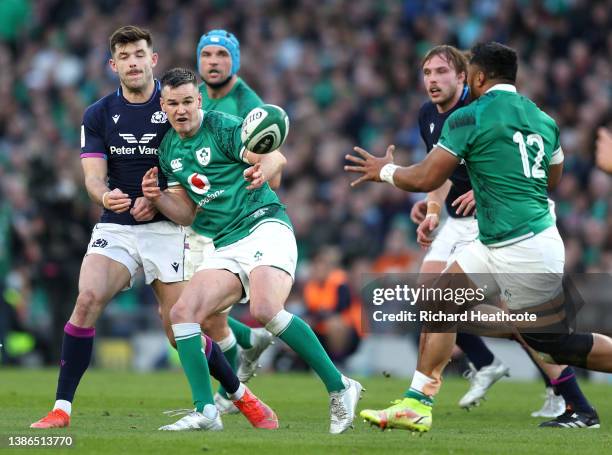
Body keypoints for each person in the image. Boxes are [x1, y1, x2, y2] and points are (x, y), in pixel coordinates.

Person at [346, 42, 612, 431]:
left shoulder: (469, 117)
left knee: (554, 343)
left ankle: (576, 406)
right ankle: (417, 402)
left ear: (479, 77)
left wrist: (384, 171)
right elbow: (552, 177)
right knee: (436, 301)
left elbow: (425, 177)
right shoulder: (542, 118)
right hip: (499, 240)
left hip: (524, 248)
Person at [30, 26, 276, 431]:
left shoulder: (174, 103)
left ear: (153, 59)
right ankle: (61, 408)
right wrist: (104, 196)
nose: (132, 62)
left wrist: (160, 197)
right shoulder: (97, 114)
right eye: (124, 56)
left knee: (179, 328)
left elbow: (199, 160)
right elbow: (93, 176)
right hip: (118, 227)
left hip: (169, 228)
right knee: (87, 298)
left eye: (139, 54)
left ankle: (241, 396)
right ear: (113, 65)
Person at [142, 67, 362, 434]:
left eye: (187, 102)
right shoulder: (167, 150)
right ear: (163, 105)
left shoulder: (223, 126)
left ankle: (341, 386)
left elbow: (276, 157)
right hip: (225, 243)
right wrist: (159, 197)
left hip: (264, 226)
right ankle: (205, 413)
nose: (180, 110)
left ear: (198, 100)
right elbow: (187, 213)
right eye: (172, 103)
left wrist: (264, 168)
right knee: (182, 313)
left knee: (264, 309)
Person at [412, 44, 564, 416]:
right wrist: (433, 209)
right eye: (428, 73)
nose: (433, 80)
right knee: (429, 298)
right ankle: (484, 364)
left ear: (464, 77)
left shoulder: (477, 111)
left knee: (513, 315)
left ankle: (559, 387)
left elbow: (514, 166)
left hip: (495, 219)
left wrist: (484, 195)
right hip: (456, 220)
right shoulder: (427, 115)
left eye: (441, 73)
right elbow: (440, 171)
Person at [191, 30, 279, 415]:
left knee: (196, 312)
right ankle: (248, 347)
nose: (213, 61)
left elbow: (276, 161)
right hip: (205, 214)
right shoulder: (192, 99)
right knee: (203, 313)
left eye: (221, 55)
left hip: (237, 218)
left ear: (235, 61)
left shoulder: (247, 103)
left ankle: (231, 392)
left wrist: (264, 170)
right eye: (207, 54)